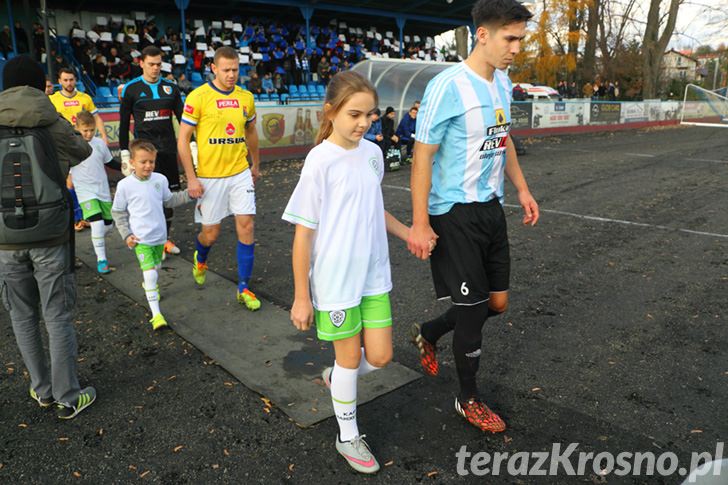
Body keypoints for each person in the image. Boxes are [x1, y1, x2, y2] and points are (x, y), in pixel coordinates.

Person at [407, 0, 539, 434]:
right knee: (473, 310)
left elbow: (503, 139)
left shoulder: (502, 81)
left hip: (491, 208)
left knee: (495, 305)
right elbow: (422, 157)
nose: (516, 48)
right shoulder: (448, 86)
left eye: (520, 39)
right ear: (482, 34)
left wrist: (521, 188)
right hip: (453, 213)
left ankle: (429, 330)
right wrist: (421, 221)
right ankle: (468, 399)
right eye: (510, 38)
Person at [284, 71, 412, 474]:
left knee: (381, 355)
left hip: (373, 275)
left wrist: (408, 232)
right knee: (348, 359)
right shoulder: (319, 160)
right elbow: (304, 235)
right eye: (354, 114)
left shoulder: (373, 154)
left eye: (369, 115)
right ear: (331, 112)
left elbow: (374, 208)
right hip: (336, 282)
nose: (363, 123)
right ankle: (347, 435)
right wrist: (301, 296)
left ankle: (338, 377)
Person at [0, 55, 96, 419]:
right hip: (50, 234)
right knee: (57, 315)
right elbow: (83, 150)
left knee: (21, 315)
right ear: (42, 84)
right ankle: (67, 396)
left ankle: (41, 390)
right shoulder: (52, 120)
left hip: (5, 237)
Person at [177, 46, 262, 311]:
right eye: (226, 70)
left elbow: (250, 132)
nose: (231, 75)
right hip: (209, 177)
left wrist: (255, 164)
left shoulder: (246, 98)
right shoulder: (198, 97)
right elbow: (183, 140)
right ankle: (200, 257)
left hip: (239, 172)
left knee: (246, 225)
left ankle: (243, 287)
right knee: (210, 234)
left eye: (235, 69)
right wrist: (191, 178)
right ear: (213, 68)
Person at [112, 139, 193, 330]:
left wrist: (191, 194)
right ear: (132, 162)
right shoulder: (125, 186)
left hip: (159, 238)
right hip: (141, 240)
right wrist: (126, 235)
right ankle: (156, 315)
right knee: (149, 275)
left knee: (155, 271)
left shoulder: (160, 180)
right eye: (143, 162)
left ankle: (151, 288)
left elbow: (170, 201)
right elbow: (118, 212)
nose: (148, 165)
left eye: (151, 161)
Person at [119, 46, 185, 257]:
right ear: (141, 63)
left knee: (169, 197)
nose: (155, 68)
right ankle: (150, 241)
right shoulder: (131, 89)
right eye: (151, 64)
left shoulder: (171, 88)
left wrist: (191, 146)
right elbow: (122, 125)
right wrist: (124, 154)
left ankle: (163, 240)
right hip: (143, 155)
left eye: (158, 64)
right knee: (146, 199)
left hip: (167, 151)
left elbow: (184, 121)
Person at [72, 110, 122, 274]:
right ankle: (102, 260)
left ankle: (98, 237)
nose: (88, 133)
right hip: (84, 191)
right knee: (98, 224)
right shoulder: (72, 145)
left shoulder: (99, 144)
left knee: (107, 225)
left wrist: (126, 168)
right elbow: (65, 163)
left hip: (102, 190)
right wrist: (67, 176)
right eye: (85, 130)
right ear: (77, 128)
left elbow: (110, 162)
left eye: (91, 130)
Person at [49, 68, 108, 144]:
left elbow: (96, 118)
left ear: (75, 80)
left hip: (83, 140)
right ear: (59, 81)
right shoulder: (52, 99)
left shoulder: (85, 98)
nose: (69, 83)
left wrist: (104, 136)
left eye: (71, 80)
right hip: (63, 140)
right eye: (65, 80)